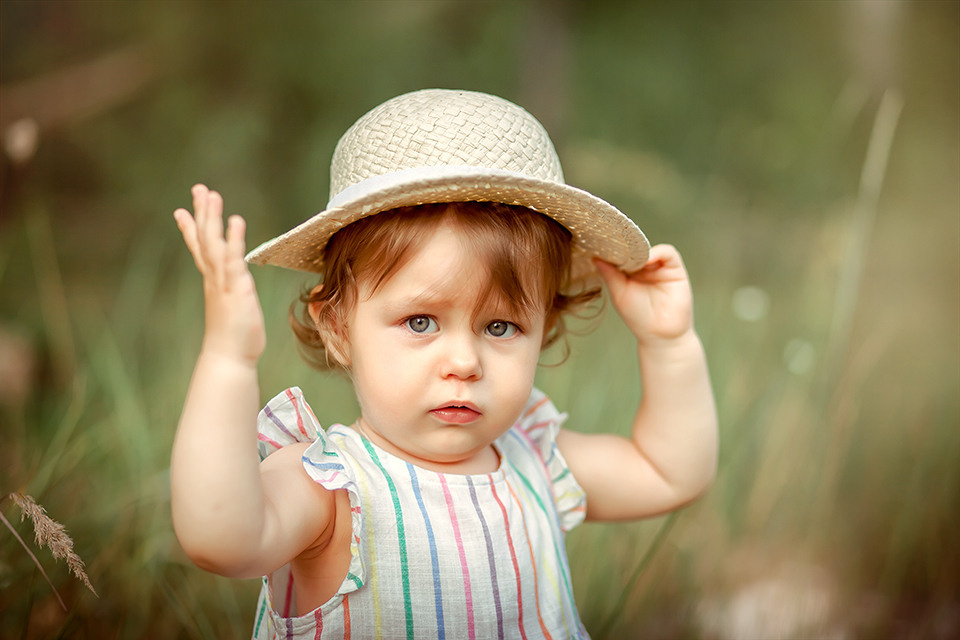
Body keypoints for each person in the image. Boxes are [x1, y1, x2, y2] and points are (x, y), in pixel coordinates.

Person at [170, 89, 717, 639]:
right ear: (337, 328)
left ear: (543, 330)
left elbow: (669, 473)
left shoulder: (534, 462)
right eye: (420, 322)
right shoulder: (331, 488)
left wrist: (670, 345)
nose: (463, 361)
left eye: (500, 327)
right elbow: (220, 538)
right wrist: (228, 360)